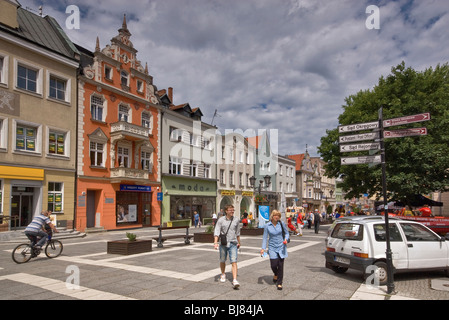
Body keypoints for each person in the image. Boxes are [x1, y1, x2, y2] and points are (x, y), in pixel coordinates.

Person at [260, 210, 289, 290]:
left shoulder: (282, 224)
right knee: (273, 264)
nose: (277, 217)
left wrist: (286, 239)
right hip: (272, 247)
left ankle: (279, 283)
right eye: (275, 215)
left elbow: (287, 233)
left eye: (278, 216)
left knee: (280, 265)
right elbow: (265, 237)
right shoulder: (267, 226)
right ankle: (276, 274)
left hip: (281, 247)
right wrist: (263, 248)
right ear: (272, 216)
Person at [214, 204, 241, 289]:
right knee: (222, 260)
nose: (232, 211)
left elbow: (237, 232)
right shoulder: (221, 220)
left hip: (233, 243)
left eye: (233, 210)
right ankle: (223, 274)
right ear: (226, 211)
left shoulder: (236, 220)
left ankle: (234, 280)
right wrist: (215, 242)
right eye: (230, 210)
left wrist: (239, 242)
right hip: (223, 243)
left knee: (234, 261)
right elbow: (217, 231)